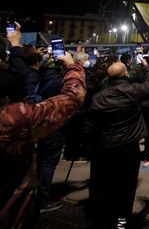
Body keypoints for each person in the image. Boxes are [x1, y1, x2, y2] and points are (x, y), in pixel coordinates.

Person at [1, 23, 86, 227]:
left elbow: (14, 77)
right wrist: (73, 66)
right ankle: (45, 197)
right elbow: (73, 98)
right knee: (48, 162)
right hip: (11, 215)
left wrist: (15, 47)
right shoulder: (15, 118)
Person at [87, 61, 149, 228]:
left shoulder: (98, 97)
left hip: (103, 147)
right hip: (127, 148)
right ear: (126, 74)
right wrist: (146, 67)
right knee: (126, 187)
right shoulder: (133, 91)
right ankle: (121, 221)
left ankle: (102, 221)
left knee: (102, 186)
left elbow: (89, 124)